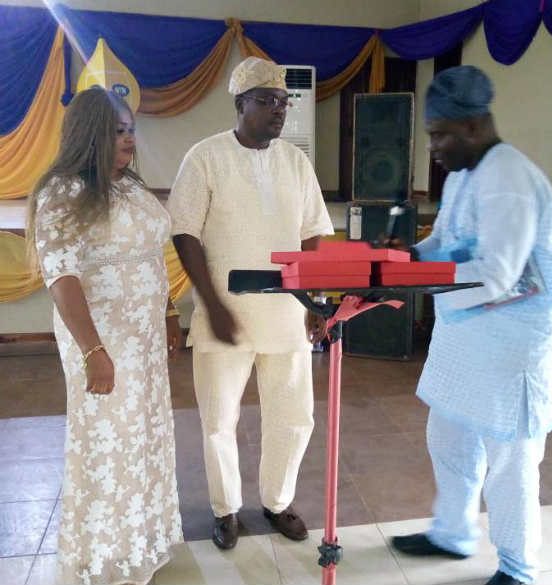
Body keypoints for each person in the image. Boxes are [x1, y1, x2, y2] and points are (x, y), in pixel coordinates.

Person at [390, 66, 552, 585]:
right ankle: (453, 532)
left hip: (512, 349)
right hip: (466, 342)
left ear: (473, 126)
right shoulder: (468, 172)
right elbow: (444, 239)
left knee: (510, 464)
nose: (435, 147)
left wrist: (414, 282)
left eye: (440, 134)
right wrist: (406, 258)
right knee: (447, 436)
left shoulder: (509, 178)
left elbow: (497, 276)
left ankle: (518, 568)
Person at [167, 57, 334, 550]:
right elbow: (185, 232)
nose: (278, 111)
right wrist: (212, 304)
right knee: (219, 420)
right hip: (226, 316)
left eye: (284, 102)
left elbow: (314, 234)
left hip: (287, 315)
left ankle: (278, 501)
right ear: (241, 104)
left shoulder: (295, 161)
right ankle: (226, 509)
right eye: (267, 101)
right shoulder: (205, 157)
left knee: (294, 414)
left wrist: (315, 300)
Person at [27, 87, 183, 585]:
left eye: (131, 129)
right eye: (118, 131)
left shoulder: (130, 187)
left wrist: (170, 311)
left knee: (143, 439)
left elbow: (154, 256)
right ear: (89, 134)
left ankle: (140, 542)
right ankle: (100, 557)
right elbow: (62, 277)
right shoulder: (63, 192)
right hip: (102, 343)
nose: (129, 140)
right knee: (106, 444)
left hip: (144, 343)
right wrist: (94, 350)